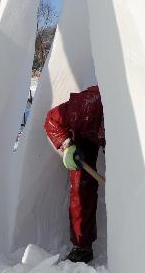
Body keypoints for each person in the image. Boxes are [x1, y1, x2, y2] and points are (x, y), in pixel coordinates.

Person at [44, 85, 104, 264]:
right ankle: (82, 246)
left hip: (109, 134)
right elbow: (52, 119)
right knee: (81, 186)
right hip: (85, 132)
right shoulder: (88, 105)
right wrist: (66, 145)